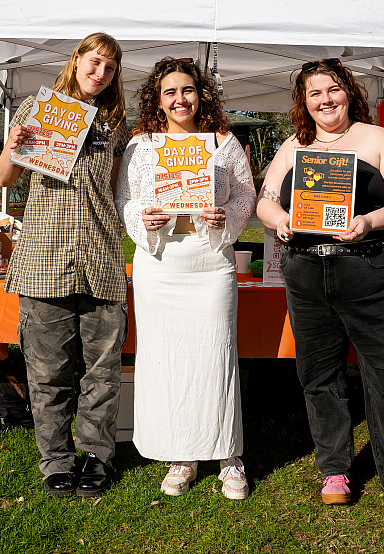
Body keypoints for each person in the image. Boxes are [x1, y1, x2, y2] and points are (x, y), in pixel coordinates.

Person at [254, 58, 384, 519]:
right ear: (303, 101)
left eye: (333, 89)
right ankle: (334, 471)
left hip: (369, 269)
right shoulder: (293, 146)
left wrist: (368, 221)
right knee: (318, 375)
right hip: (306, 273)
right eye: (314, 93)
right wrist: (280, 219)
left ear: (349, 92)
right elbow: (264, 201)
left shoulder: (378, 139)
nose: (325, 100)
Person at [115, 57, 257, 500]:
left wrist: (225, 213)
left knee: (216, 355)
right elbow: (124, 199)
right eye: (170, 92)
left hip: (209, 262)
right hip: (160, 265)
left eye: (188, 90)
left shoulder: (223, 143)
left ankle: (228, 455)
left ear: (201, 95)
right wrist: (142, 216)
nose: (180, 99)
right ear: (157, 100)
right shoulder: (141, 146)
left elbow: (246, 194)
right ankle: (181, 454)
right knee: (166, 358)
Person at [0, 32, 129, 499]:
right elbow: (5, 177)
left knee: (102, 373)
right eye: (94, 62)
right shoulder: (38, 108)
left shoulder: (115, 124)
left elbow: (115, 190)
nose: (100, 73)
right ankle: (55, 459)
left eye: (110, 67)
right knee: (48, 372)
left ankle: (96, 456)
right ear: (76, 60)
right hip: (45, 258)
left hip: (101, 259)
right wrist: (12, 145)